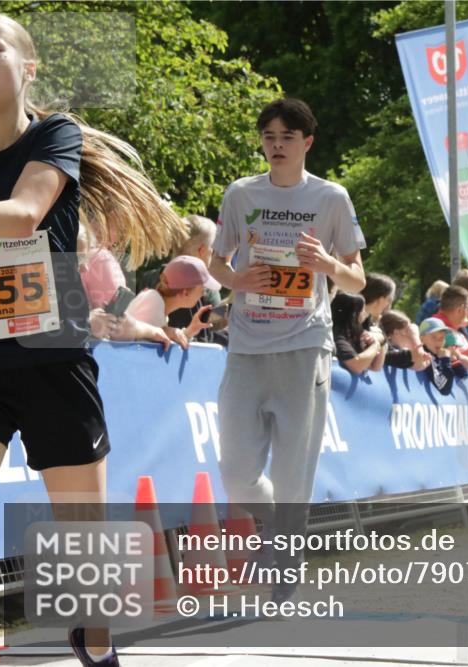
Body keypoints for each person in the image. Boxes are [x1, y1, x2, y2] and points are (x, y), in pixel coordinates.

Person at [0, 12, 185, 666]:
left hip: (53, 355)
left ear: (28, 67)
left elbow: (21, 217)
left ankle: (95, 642)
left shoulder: (53, 136)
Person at [208, 98, 367, 603]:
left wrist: (325, 263)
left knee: (292, 468)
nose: (276, 145)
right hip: (246, 344)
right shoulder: (240, 193)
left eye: (286, 137)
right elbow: (216, 262)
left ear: (307, 143)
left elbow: (357, 276)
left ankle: (285, 558)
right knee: (236, 474)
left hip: (305, 344)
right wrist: (235, 278)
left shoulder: (331, 197)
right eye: (269, 136)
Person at [137, 215, 225, 345]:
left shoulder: (146, 279)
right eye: (211, 250)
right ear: (202, 250)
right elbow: (214, 338)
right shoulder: (208, 291)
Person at [125, 255, 218, 349]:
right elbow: (139, 348)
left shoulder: (156, 302)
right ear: (185, 293)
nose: (203, 295)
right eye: (203, 290)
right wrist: (166, 332)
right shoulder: (154, 303)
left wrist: (190, 331)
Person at [331, 292, 385, 374]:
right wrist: (375, 345)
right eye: (362, 310)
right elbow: (356, 366)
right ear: (354, 314)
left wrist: (380, 339)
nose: (364, 314)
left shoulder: (355, 333)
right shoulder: (336, 336)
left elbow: (375, 367)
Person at [418, 317, 468, 396]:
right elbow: (445, 389)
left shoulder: (440, 354)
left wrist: (453, 358)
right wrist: (445, 360)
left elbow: (463, 375)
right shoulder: (426, 356)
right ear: (421, 339)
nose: (439, 341)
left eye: (442, 337)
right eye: (433, 337)